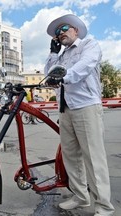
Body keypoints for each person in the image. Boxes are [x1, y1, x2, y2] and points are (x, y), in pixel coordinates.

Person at [44, 14, 114, 215]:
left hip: (86, 106)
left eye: (64, 28)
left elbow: (84, 67)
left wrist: (62, 77)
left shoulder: (89, 45)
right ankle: (81, 197)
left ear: (76, 29)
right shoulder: (61, 56)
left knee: (93, 157)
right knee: (71, 157)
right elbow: (48, 74)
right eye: (57, 32)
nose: (61, 33)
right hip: (65, 109)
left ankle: (103, 206)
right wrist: (52, 53)